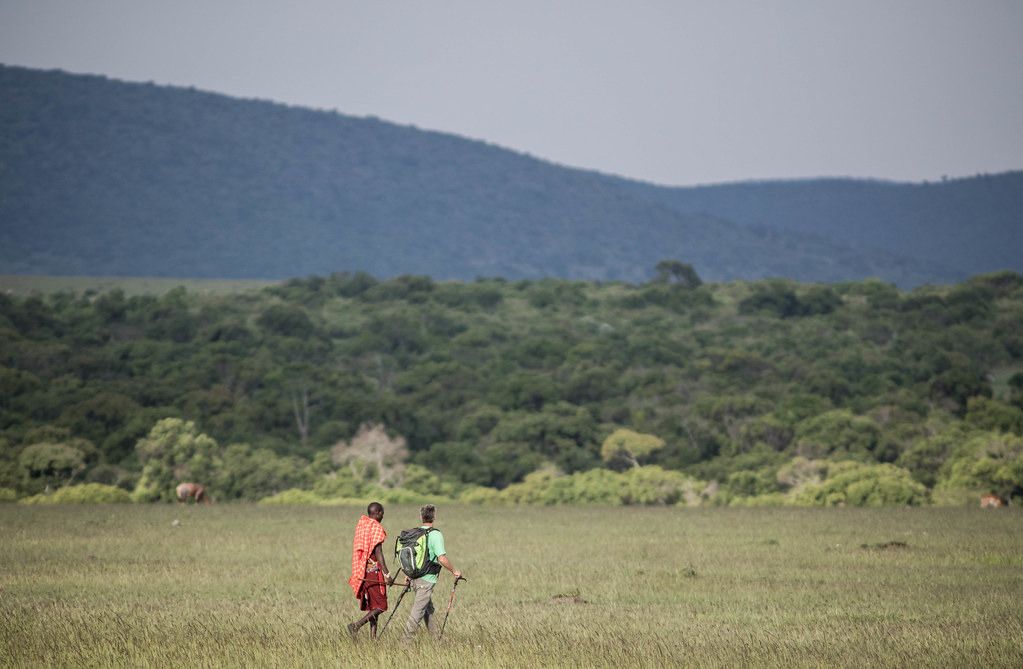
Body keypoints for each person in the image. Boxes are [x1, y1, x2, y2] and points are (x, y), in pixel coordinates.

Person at [402, 504, 463, 642]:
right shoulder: (435, 534)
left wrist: (408, 574)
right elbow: (441, 558)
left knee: (427, 610)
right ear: (434, 517)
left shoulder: (415, 534)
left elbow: (410, 557)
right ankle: (405, 643)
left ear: (421, 517)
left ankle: (437, 639)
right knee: (418, 611)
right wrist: (454, 571)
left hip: (414, 577)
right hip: (426, 579)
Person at [347, 502, 394, 639]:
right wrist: (387, 574)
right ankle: (356, 626)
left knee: (374, 607)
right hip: (373, 572)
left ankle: (373, 639)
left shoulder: (363, 526)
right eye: (382, 514)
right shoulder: (375, 527)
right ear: (378, 513)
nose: (382, 517)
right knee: (381, 606)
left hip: (364, 571)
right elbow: (378, 553)